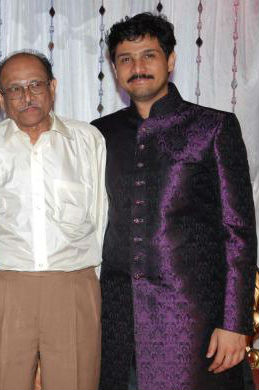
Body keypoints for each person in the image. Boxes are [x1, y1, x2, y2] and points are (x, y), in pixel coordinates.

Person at [91, 12, 257, 390]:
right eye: (125, 59)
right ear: (115, 69)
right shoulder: (100, 134)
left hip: (192, 320)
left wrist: (234, 323)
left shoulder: (213, 128)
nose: (138, 67)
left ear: (170, 60)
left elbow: (239, 233)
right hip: (117, 320)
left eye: (148, 55)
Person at [0, 50, 108, 390]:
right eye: (14, 89)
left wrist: (90, 289)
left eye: (35, 85)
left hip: (74, 286)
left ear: (53, 87)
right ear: (0, 98)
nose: (26, 96)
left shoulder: (87, 141)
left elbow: (102, 220)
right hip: (5, 288)